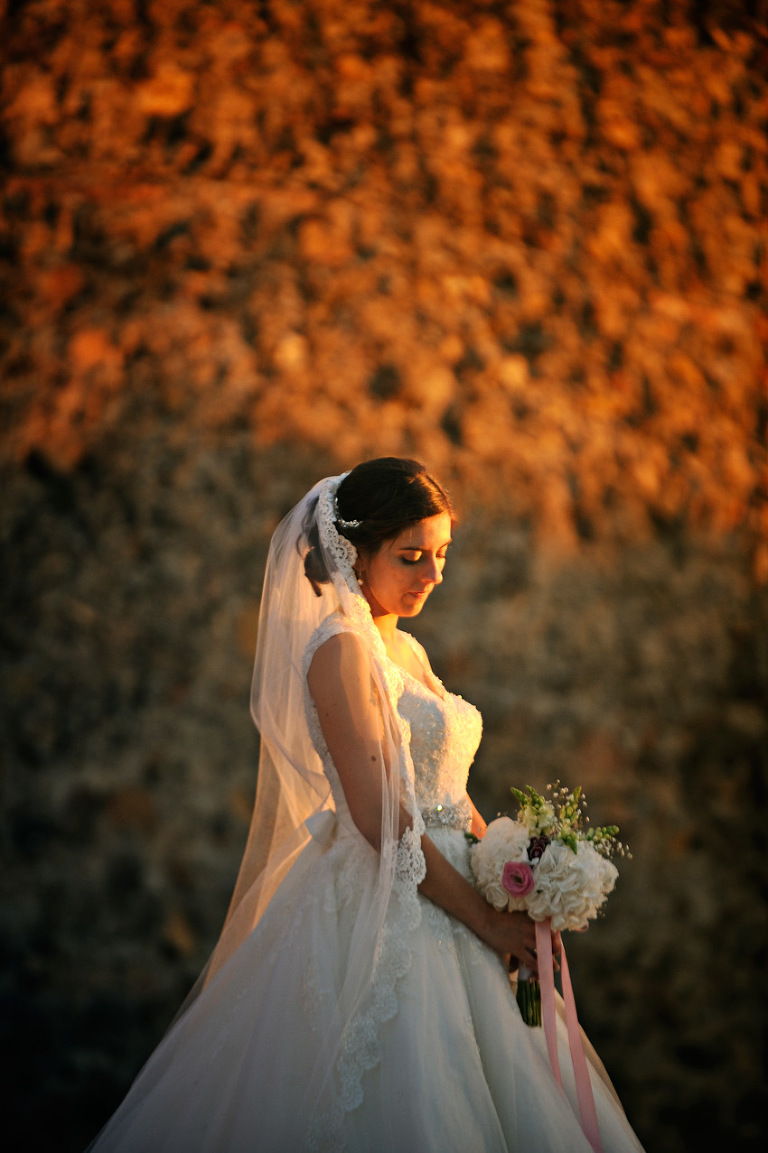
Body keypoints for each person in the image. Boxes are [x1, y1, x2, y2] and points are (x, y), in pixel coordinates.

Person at [88, 458, 645, 1153]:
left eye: (441, 555)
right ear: (354, 550)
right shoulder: (341, 651)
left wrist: (517, 879)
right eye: (411, 556)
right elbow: (384, 816)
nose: (432, 575)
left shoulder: (405, 649)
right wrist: (482, 921)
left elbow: (443, 785)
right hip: (393, 901)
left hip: (459, 887)